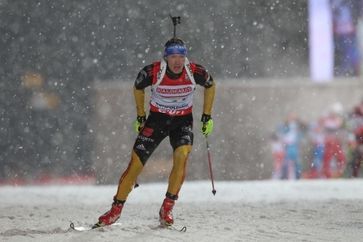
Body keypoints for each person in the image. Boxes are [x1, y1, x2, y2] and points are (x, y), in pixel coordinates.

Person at [94, 37, 216, 227]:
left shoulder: (194, 71)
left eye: (181, 56)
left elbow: (211, 85)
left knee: (182, 155)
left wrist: (207, 116)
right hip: (156, 121)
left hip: (182, 121)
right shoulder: (153, 71)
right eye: (173, 57)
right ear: (166, 58)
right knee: (135, 165)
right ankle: (115, 210)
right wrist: (140, 115)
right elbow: (138, 87)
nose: (177, 61)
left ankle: (167, 207)